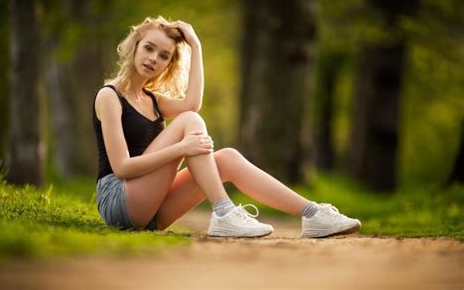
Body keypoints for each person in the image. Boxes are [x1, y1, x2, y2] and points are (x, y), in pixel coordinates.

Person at [93, 16, 361, 238]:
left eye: (164, 56)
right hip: (120, 201)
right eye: (149, 48)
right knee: (189, 122)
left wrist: (195, 46)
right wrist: (181, 148)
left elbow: (193, 103)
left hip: (150, 210)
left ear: (168, 65)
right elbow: (122, 168)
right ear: (135, 46)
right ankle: (223, 211)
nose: (154, 59)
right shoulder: (110, 96)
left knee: (227, 158)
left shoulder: (150, 99)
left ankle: (312, 214)